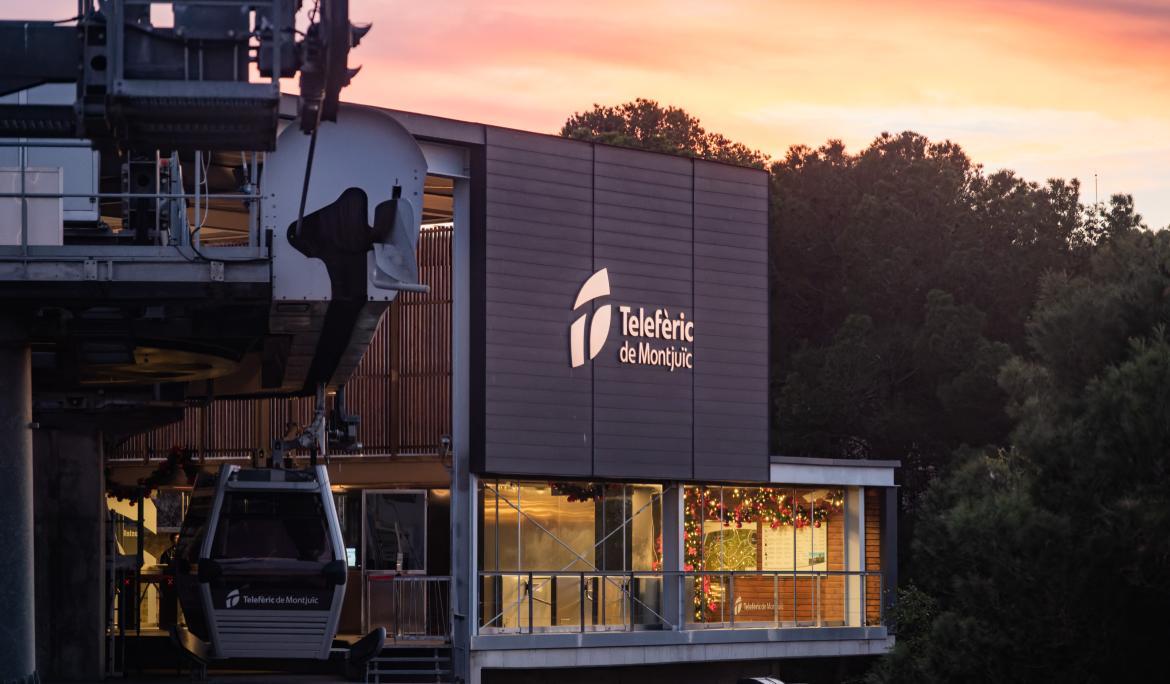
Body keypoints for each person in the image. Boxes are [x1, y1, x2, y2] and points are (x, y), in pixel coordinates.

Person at [158, 533, 181, 629]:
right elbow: (163, 566)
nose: (178, 540)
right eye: (176, 538)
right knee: (170, 601)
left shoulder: (184, 552)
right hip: (170, 580)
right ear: (172, 540)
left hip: (181, 579)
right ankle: (169, 623)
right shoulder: (167, 553)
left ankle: (182, 622)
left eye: (179, 538)